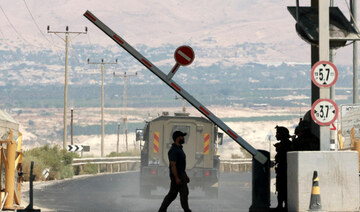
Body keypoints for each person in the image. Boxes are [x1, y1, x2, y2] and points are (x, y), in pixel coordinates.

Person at [158, 131, 192, 212]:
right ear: (177, 138)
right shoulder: (173, 150)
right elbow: (173, 165)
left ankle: (162, 210)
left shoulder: (179, 148)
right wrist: (176, 178)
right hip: (177, 175)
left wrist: (185, 175)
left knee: (174, 194)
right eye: (182, 136)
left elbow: (181, 165)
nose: (183, 138)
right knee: (182, 193)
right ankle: (186, 210)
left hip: (181, 174)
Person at [273, 126, 291, 211]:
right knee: (281, 188)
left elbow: (282, 158)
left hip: (284, 171)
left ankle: (283, 206)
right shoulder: (285, 144)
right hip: (283, 171)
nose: (276, 135)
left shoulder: (286, 145)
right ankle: (281, 205)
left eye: (278, 133)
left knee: (283, 189)